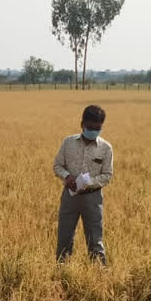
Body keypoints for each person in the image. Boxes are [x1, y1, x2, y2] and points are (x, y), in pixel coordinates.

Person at [54, 105, 113, 264]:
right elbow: (57, 166)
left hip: (93, 199)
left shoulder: (106, 148)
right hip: (70, 196)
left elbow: (107, 175)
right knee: (64, 238)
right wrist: (67, 177)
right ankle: (62, 272)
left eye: (97, 128)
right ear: (82, 124)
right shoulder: (68, 143)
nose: (93, 131)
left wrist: (89, 183)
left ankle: (100, 276)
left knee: (95, 240)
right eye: (90, 127)